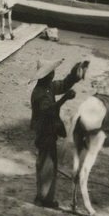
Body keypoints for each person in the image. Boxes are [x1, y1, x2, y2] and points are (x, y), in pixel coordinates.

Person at [30, 58, 89, 208]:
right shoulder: (40, 93)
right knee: (46, 163)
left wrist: (75, 75)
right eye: (51, 72)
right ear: (47, 75)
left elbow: (63, 84)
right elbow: (48, 111)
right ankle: (44, 199)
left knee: (48, 162)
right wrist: (65, 98)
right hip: (44, 130)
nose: (53, 74)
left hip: (48, 129)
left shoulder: (47, 87)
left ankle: (44, 197)